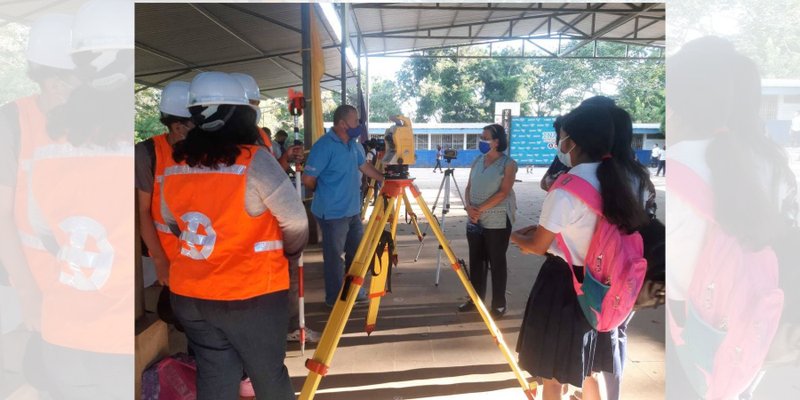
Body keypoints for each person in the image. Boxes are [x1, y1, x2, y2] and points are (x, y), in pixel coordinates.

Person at [161, 71, 307, 400]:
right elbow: (296, 222)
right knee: (268, 374)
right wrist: (289, 254)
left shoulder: (176, 165)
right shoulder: (255, 161)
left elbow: (173, 222)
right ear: (241, 116)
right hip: (250, 294)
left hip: (192, 295)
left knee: (215, 373)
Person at [511, 104, 649, 400]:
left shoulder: (566, 187)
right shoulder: (630, 180)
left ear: (573, 141)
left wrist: (516, 238)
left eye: (561, 137)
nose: (559, 145)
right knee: (589, 370)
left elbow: (538, 245)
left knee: (553, 376)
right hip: (608, 287)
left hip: (565, 288)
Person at [303, 105, 384, 308]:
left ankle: (353, 291)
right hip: (331, 213)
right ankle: (335, 300)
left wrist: (385, 178)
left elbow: (364, 167)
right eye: (355, 121)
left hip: (353, 210)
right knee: (334, 259)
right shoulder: (324, 146)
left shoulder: (355, 146)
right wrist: (326, 193)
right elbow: (308, 179)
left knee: (355, 254)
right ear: (341, 124)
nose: (359, 125)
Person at [459, 124, 517, 319]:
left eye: (485, 138)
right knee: (476, 261)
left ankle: (499, 303)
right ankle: (475, 299)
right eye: (481, 137)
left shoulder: (508, 164)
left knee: (497, 261)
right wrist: (469, 207)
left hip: (497, 220)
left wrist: (479, 210)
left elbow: (504, 192)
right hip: (474, 219)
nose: (481, 141)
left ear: (497, 141)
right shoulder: (477, 161)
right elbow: (468, 187)